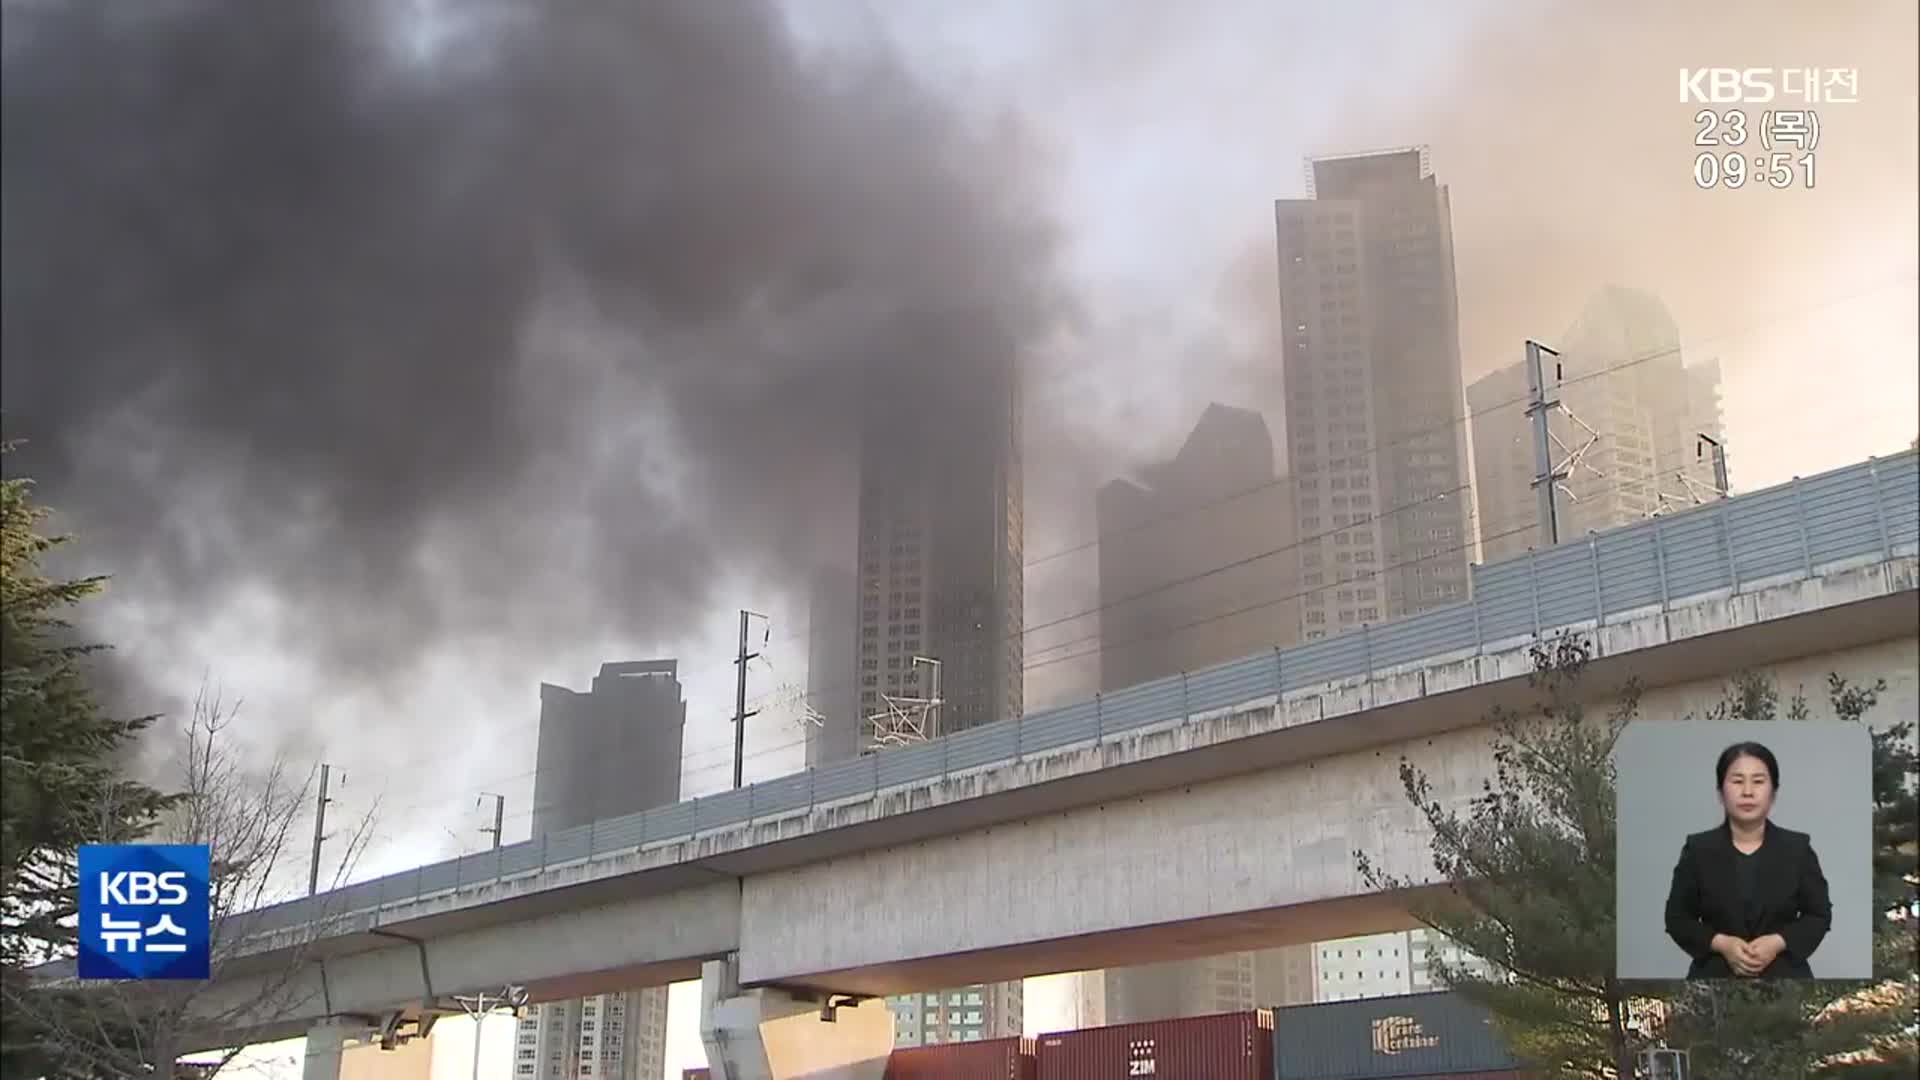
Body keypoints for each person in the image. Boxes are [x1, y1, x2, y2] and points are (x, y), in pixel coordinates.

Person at [1663, 741, 1831, 978]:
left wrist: (1778, 941)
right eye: (1738, 781)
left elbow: (1819, 914)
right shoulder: (1698, 850)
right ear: (1721, 792)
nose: (1748, 792)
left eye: (1758, 781)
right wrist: (1721, 943)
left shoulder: (1798, 849)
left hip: (1786, 977)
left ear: (1773, 793)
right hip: (1714, 976)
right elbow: (1677, 918)